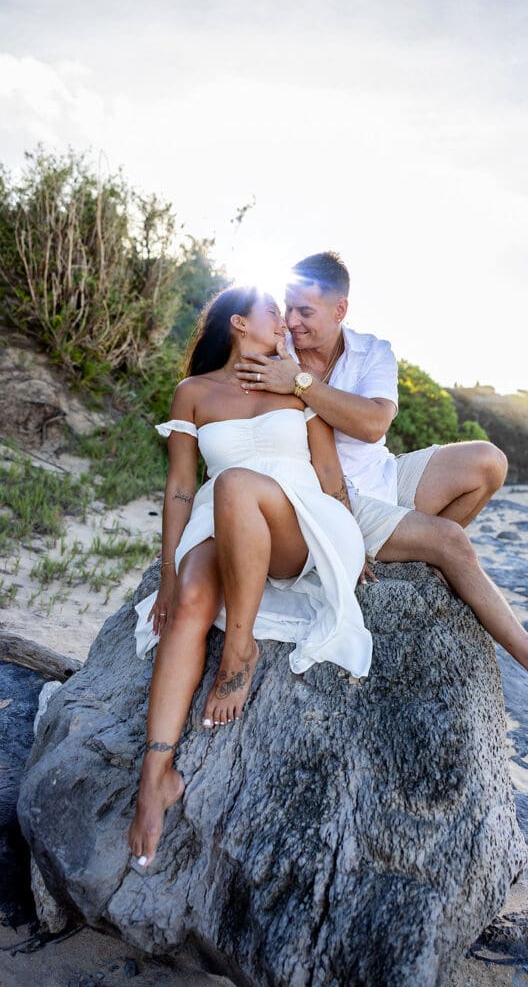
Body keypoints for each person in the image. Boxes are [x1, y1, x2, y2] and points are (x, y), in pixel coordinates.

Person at [234, 251, 528, 711]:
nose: (293, 322)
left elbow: (374, 425)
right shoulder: (278, 350)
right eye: (288, 308)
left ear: (340, 310)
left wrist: (300, 383)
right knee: (452, 539)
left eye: (306, 312)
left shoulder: (370, 352)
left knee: (488, 461)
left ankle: (426, 558)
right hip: (330, 494)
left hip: (383, 474)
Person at [128, 285, 372, 868]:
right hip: (221, 521)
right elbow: (183, 487)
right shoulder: (193, 393)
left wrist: (354, 555)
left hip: (299, 523)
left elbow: (330, 474)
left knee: (237, 482)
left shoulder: (292, 383)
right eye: (273, 313)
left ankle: (239, 650)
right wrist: (166, 574)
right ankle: (154, 778)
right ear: (239, 323)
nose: (285, 323)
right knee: (188, 599)